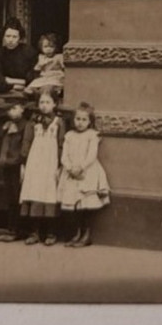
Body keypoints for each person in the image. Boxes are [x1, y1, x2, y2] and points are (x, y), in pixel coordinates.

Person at [58, 102, 110, 248]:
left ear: (90, 122)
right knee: (74, 205)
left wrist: (80, 167)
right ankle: (77, 233)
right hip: (71, 172)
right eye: (77, 119)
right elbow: (64, 156)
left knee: (85, 205)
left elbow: (91, 155)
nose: (80, 123)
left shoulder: (92, 135)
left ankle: (86, 235)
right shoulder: (69, 135)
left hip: (87, 171)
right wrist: (69, 168)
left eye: (84, 120)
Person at [19, 89, 65, 245]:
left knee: (49, 192)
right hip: (35, 161)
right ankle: (34, 231)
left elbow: (60, 144)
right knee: (34, 191)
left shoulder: (59, 122)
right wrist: (24, 163)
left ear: (54, 104)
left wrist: (59, 164)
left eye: (47, 102)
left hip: (50, 161)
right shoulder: (33, 121)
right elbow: (26, 141)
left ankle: (51, 232)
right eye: (41, 102)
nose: (44, 106)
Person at [0, 99, 30, 243]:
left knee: (17, 197)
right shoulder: (6, 125)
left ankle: (17, 230)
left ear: (22, 109)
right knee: (10, 196)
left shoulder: (26, 125)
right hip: (7, 164)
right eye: (9, 109)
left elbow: (25, 146)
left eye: (15, 108)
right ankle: (12, 229)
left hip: (18, 165)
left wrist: (23, 164)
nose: (11, 112)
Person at [0, 17, 36, 93]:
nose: (11, 40)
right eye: (8, 36)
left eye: (14, 37)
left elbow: (32, 78)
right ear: (3, 36)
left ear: (20, 38)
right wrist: (18, 85)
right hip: (4, 93)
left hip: (27, 92)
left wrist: (8, 80)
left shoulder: (29, 52)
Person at [24, 32, 65, 96]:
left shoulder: (58, 57)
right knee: (30, 88)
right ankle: (37, 94)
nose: (48, 49)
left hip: (55, 77)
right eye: (45, 47)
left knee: (49, 87)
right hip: (43, 77)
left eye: (51, 47)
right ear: (41, 48)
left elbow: (64, 67)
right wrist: (40, 64)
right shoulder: (41, 57)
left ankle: (47, 94)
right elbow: (36, 69)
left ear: (56, 47)